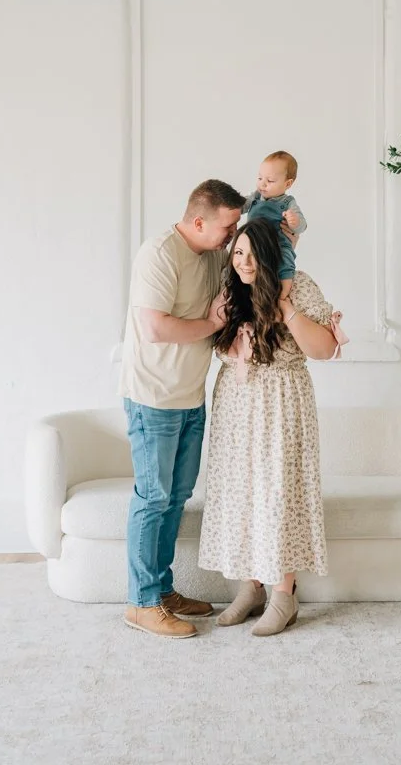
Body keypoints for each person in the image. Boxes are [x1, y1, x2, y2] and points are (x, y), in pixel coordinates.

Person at [197, 218, 347, 637]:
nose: (243, 261)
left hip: (282, 401)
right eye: (238, 252)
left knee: (279, 495)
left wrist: (286, 308)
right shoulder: (230, 288)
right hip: (236, 405)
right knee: (241, 494)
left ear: (270, 253)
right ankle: (251, 589)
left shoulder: (297, 285)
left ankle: (284, 596)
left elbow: (324, 349)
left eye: (251, 253)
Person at [120, 178, 244, 640]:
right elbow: (154, 328)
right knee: (153, 499)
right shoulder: (159, 253)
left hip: (191, 397)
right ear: (198, 221)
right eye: (227, 226)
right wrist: (211, 322)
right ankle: (141, 603)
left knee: (175, 499)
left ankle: (162, 591)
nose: (232, 234)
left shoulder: (213, 256)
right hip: (153, 398)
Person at [242, 151, 306, 299]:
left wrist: (294, 221)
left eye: (270, 180)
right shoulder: (256, 196)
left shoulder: (287, 202)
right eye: (259, 178)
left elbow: (302, 226)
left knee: (285, 259)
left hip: (278, 243)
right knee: (243, 258)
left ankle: (283, 295)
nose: (262, 184)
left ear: (288, 183)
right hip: (253, 241)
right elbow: (241, 207)